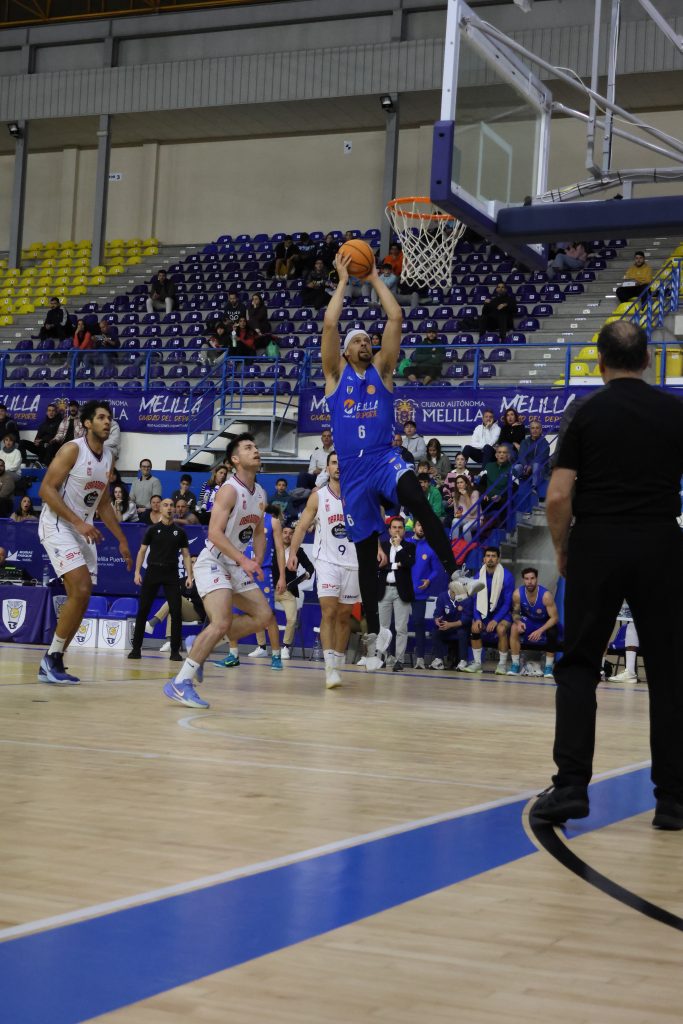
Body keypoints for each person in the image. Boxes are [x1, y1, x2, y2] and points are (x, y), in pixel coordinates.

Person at [531, 320, 683, 829]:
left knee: (579, 665)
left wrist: (563, 548)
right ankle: (673, 800)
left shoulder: (584, 412)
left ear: (599, 363)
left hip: (597, 543)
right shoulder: (674, 411)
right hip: (661, 543)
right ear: (648, 360)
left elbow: (558, 496)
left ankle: (571, 787)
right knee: (669, 673)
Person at [322, 252, 483, 666]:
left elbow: (395, 317)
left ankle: (456, 575)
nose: (364, 343)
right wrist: (342, 281)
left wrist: (375, 277)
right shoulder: (335, 377)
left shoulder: (383, 371)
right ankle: (373, 637)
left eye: (367, 340)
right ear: (346, 350)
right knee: (365, 556)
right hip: (353, 471)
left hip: (383, 459)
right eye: (357, 340)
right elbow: (330, 324)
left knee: (416, 497)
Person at [164, 433, 283, 709]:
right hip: (214, 561)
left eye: (256, 446)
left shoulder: (260, 493)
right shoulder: (229, 490)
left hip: (236, 563)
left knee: (264, 616)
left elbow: (258, 531)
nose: (255, 450)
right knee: (221, 622)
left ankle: (200, 643)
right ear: (235, 459)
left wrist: (258, 558)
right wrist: (244, 560)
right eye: (248, 448)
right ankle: (180, 682)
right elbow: (214, 534)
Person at [37, 400, 132, 684]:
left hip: (82, 528)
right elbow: (46, 490)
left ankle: (54, 659)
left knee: (82, 596)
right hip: (58, 523)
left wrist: (122, 540)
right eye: (101, 417)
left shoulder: (109, 457)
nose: (107, 422)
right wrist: (78, 522)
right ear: (87, 423)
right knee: (80, 588)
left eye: (109, 418)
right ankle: (50, 659)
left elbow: (103, 503)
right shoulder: (73, 449)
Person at [289, 453, 361, 687]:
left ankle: (337, 664)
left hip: (352, 562)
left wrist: (378, 548)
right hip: (327, 561)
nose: (338, 467)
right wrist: (292, 553)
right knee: (328, 612)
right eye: (333, 463)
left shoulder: (357, 494)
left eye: (341, 463)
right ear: (327, 468)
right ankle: (329, 668)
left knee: (344, 616)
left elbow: (371, 524)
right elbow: (301, 527)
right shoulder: (318, 496)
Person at [129, 498, 193, 663]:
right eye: (166, 505)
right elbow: (142, 551)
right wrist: (137, 572)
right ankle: (136, 649)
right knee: (143, 609)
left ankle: (175, 651)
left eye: (171, 505)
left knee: (176, 611)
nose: (169, 508)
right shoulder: (152, 530)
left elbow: (186, 555)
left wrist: (189, 575)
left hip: (171, 573)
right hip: (153, 571)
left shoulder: (180, 532)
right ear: (161, 509)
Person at [464, 547, 514, 674]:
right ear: (484, 559)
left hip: (502, 614)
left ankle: (502, 665)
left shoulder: (507, 576)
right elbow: (475, 600)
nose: (490, 558)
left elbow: (508, 603)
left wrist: (496, 620)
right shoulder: (478, 575)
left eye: (493, 556)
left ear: (498, 559)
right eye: (488, 556)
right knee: (475, 627)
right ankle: (477, 663)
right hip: (484, 613)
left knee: (501, 629)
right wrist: (478, 619)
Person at [145, 555, 206, 653]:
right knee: (173, 609)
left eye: (193, 562)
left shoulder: (203, 581)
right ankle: (170, 642)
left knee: (175, 599)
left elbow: (202, 599)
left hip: (198, 611)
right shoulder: (181, 581)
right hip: (185, 610)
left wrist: (186, 599)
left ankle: (152, 623)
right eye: (189, 562)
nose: (191, 564)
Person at [378, 516, 415, 673]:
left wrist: (399, 548)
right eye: (394, 527)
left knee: (401, 628)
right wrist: (396, 565)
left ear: (404, 531)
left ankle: (399, 660)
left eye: (400, 527)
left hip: (402, 591)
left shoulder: (409, 546)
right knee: (383, 627)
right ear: (389, 530)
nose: (397, 530)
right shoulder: (382, 546)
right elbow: (378, 565)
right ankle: (382, 658)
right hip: (384, 589)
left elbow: (408, 563)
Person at [508, 567, 559, 678]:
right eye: (527, 579)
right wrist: (518, 622)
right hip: (529, 622)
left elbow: (554, 618)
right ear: (523, 580)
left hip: (544, 623)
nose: (529, 581)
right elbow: (515, 613)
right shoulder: (517, 594)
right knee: (514, 627)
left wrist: (540, 630)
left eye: (532, 578)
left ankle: (548, 667)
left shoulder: (546, 596)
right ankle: (515, 664)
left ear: (537, 579)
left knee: (552, 632)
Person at [410, 519, 444, 670]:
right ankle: (391, 656)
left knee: (419, 624)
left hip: (420, 592)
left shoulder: (431, 547)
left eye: (424, 525)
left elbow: (436, 570)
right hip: (402, 591)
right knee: (396, 625)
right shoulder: (405, 543)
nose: (421, 527)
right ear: (414, 527)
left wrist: (429, 581)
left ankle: (420, 659)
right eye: (419, 524)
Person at [429, 579, 475, 671]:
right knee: (435, 632)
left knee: (462, 632)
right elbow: (437, 613)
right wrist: (437, 620)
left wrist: (450, 624)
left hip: (461, 627)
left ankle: (463, 661)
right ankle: (439, 660)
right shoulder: (442, 596)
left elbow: (466, 619)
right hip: (447, 626)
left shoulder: (466, 598)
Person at [513, 419, 551, 493]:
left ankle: (534, 487)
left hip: (539, 468)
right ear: (530, 430)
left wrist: (530, 466)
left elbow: (541, 457)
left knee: (536, 465)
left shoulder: (545, 443)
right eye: (532, 428)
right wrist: (525, 466)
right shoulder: (524, 442)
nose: (535, 430)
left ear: (540, 430)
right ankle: (524, 478)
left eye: (537, 428)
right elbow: (521, 455)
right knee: (516, 467)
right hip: (526, 467)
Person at [44, 400, 84, 465]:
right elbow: (60, 434)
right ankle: (47, 466)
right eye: (71, 406)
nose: (73, 408)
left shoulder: (82, 421)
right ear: (69, 408)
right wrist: (55, 440)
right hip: (63, 444)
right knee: (51, 445)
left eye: (75, 407)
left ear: (77, 408)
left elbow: (81, 436)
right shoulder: (65, 420)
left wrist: (72, 443)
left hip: (75, 444)